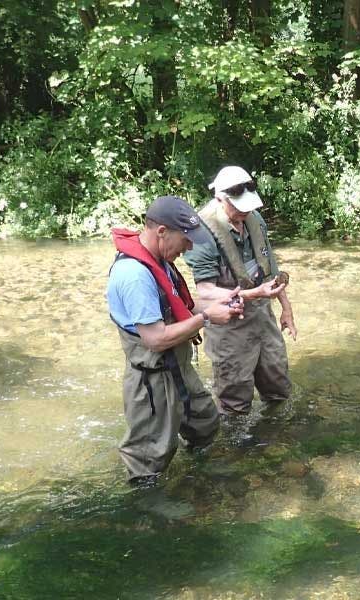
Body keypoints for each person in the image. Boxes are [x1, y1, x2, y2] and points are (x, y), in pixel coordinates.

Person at [106, 195, 285, 482]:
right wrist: (206, 318)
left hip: (179, 369)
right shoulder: (135, 276)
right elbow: (155, 338)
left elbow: (183, 307)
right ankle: (147, 508)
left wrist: (225, 302)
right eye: (186, 239)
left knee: (205, 424)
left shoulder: (160, 261)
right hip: (152, 379)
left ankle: (198, 482)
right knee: (148, 457)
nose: (190, 247)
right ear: (161, 231)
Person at [183, 166, 297, 416]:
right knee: (234, 404)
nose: (245, 211)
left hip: (263, 317)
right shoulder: (202, 234)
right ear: (220, 198)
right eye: (239, 207)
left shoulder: (254, 219)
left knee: (279, 388)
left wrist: (286, 309)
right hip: (229, 325)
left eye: (248, 206)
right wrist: (253, 294)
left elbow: (271, 273)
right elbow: (205, 292)